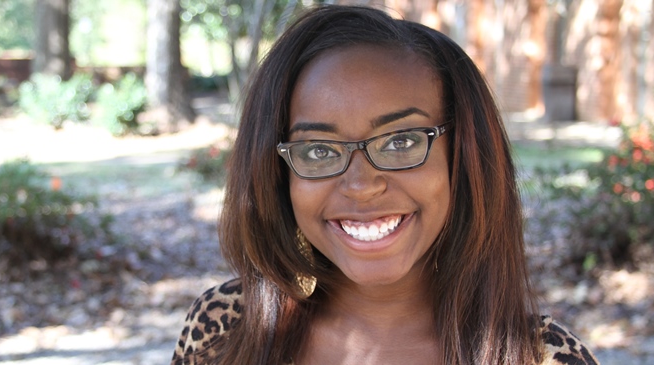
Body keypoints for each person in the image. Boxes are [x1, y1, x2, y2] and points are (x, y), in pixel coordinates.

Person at [172, 5, 598, 365]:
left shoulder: (541, 356)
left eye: (401, 141)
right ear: (276, 173)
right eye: (319, 150)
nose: (361, 185)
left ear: (464, 157)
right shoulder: (226, 329)